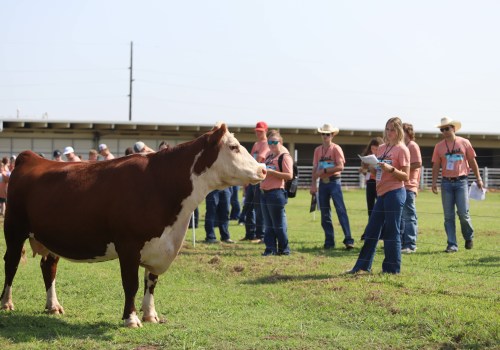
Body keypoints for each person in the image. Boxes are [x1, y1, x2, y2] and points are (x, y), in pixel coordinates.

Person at [348, 117, 410, 274]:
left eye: (393, 129)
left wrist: (391, 169)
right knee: (372, 230)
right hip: (381, 193)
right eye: (387, 129)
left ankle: (391, 269)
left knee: (391, 231)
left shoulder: (402, 150)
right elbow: (377, 172)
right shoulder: (382, 148)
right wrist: (373, 166)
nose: (389, 132)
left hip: (395, 193)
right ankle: (362, 266)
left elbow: (406, 176)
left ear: (399, 131)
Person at [431, 117, 484, 253]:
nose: (445, 131)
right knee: (448, 216)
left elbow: (472, 161)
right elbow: (436, 165)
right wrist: (434, 182)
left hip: (461, 182)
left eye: (447, 128)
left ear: (453, 128)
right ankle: (452, 244)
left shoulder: (464, 142)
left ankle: (468, 236)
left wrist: (478, 178)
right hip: (446, 183)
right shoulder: (439, 146)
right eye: (442, 129)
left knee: (463, 213)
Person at [310, 123, 354, 250]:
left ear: (332, 135)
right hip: (322, 184)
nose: (325, 136)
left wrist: (324, 171)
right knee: (324, 213)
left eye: (327, 134)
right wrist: (313, 184)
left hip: (334, 182)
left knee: (340, 210)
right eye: (323, 134)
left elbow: (341, 166)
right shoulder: (317, 150)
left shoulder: (336, 149)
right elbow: (314, 168)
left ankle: (348, 239)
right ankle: (329, 241)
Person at [260, 130, 293, 256]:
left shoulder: (284, 157)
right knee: (268, 225)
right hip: (264, 193)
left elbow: (289, 175)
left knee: (278, 225)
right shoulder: (268, 156)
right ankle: (270, 249)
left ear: (281, 142)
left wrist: (272, 172)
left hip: (276, 193)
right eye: (270, 142)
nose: (272, 144)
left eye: (275, 142)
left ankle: (284, 250)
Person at [240, 121, 269, 241]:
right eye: (257, 131)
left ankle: (259, 234)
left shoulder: (266, 144)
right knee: (248, 206)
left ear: (265, 131)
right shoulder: (256, 144)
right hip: (252, 179)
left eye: (260, 131)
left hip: (259, 180)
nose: (258, 133)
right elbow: (250, 160)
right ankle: (249, 234)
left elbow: (259, 159)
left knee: (258, 208)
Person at [401, 123, 422, 253]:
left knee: (409, 215)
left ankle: (410, 244)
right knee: (404, 216)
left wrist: (403, 169)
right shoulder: (403, 146)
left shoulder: (412, 146)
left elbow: (418, 163)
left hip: (409, 184)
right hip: (402, 184)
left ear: (408, 133)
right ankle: (405, 243)